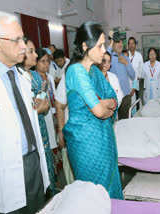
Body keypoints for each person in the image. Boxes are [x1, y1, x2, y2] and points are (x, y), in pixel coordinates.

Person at [0, 11, 49, 214]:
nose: (24, 46)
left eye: (22, 39)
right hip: (3, 170)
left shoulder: (22, 75)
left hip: (33, 161)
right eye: (16, 40)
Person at [63, 21, 123, 199]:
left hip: (104, 141)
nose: (104, 50)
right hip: (86, 144)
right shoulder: (76, 71)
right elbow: (99, 111)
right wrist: (104, 106)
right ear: (85, 46)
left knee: (109, 190)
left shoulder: (95, 72)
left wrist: (106, 104)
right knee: (94, 195)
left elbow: (113, 99)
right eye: (100, 45)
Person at [33, 48, 58, 196]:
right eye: (42, 61)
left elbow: (53, 96)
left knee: (53, 148)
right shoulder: (34, 78)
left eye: (47, 61)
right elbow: (37, 102)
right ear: (36, 63)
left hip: (51, 114)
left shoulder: (48, 76)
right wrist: (43, 89)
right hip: (41, 116)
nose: (46, 64)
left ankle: (54, 177)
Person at [107, 31, 135, 119]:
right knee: (112, 121)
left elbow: (133, 75)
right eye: (117, 42)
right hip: (113, 96)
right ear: (113, 45)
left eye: (121, 42)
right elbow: (103, 59)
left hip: (126, 95)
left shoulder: (126, 58)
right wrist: (110, 43)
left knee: (125, 121)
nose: (120, 44)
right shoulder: (109, 58)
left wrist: (126, 63)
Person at [128, 37, 144, 105]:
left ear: (135, 44)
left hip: (136, 82)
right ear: (128, 45)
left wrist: (137, 77)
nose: (131, 45)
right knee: (127, 101)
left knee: (136, 101)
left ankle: (135, 115)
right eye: (130, 43)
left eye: (133, 43)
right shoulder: (125, 54)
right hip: (127, 82)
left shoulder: (139, 55)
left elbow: (141, 69)